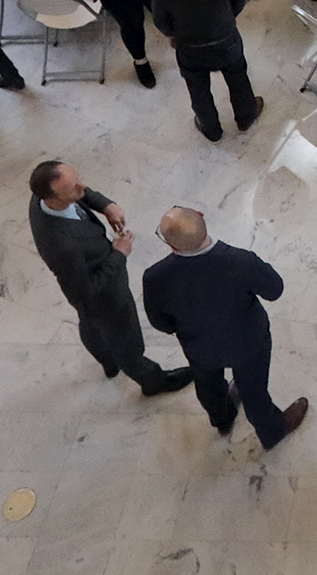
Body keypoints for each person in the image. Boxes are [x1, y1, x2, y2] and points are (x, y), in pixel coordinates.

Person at [141, 205, 308, 450]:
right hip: (248, 343)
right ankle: (272, 431)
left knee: (208, 387)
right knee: (254, 392)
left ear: (172, 245)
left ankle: (222, 419)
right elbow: (275, 289)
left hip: (199, 348)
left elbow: (160, 322)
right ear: (201, 216)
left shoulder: (155, 277)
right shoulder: (242, 261)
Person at [27, 160, 193, 397]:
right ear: (53, 198)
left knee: (90, 322)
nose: (82, 187)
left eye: (77, 179)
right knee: (127, 341)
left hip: (88, 287)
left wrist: (106, 206)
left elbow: (82, 193)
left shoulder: (41, 197)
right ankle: (152, 381)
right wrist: (119, 254)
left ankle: (107, 360)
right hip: (104, 296)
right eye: (74, 187)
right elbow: (81, 292)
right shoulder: (62, 246)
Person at [150, 0, 258, 140]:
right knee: (238, 77)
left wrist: (173, 35)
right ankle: (245, 117)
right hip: (226, 40)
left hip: (190, 48)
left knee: (198, 89)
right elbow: (238, 1)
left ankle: (211, 129)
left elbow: (161, 21)